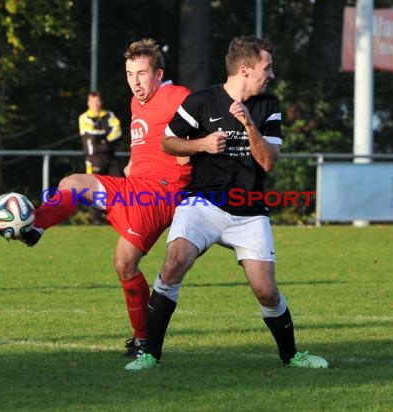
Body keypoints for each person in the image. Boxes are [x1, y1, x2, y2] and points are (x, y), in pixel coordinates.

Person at [125, 36, 328, 371]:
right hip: (202, 203)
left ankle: (292, 356)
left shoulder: (267, 106)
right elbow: (168, 143)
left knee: (266, 290)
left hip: (248, 212)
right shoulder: (201, 101)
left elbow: (268, 162)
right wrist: (202, 144)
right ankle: (150, 354)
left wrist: (249, 124)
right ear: (245, 70)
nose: (271, 75)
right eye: (267, 67)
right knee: (174, 263)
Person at [17, 39, 191, 357]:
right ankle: (35, 227)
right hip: (132, 187)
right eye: (129, 73)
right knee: (72, 182)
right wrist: (133, 164)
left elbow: (208, 120)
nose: (135, 82)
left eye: (142, 73)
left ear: (159, 73)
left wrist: (195, 154)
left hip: (159, 195)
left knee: (124, 263)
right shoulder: (137, 103)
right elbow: (148, 144)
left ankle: (142, 341)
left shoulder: (177, 96)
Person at [78, 91, 122, 224]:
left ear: (101, 102)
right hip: (93, 158)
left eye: (98, 101)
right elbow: (90, 134)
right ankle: (96, 219)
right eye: (93, 102)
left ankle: (117, 217)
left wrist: (104, 140)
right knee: (95, 188)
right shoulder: (84, 117)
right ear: (88, 103)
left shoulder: (109, 115)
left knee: (118, 186)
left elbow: (117, 131)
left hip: (110, 156)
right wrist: (105, 134)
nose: (96, 104)